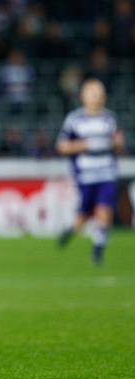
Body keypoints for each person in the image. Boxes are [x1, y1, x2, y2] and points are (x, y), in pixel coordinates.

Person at [56, 78, 124, 264]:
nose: (98, 97)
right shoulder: (75, 119)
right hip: (85, 174)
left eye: (100, 94)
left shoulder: (109, 119)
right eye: (94, 93)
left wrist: (117, 143)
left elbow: (119, 142)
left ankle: (97, 250)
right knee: (84, 214)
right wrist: (82, 145)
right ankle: (70, 231)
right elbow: (62, 146)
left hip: (106, 172)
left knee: (104, 208)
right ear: (83, 96)